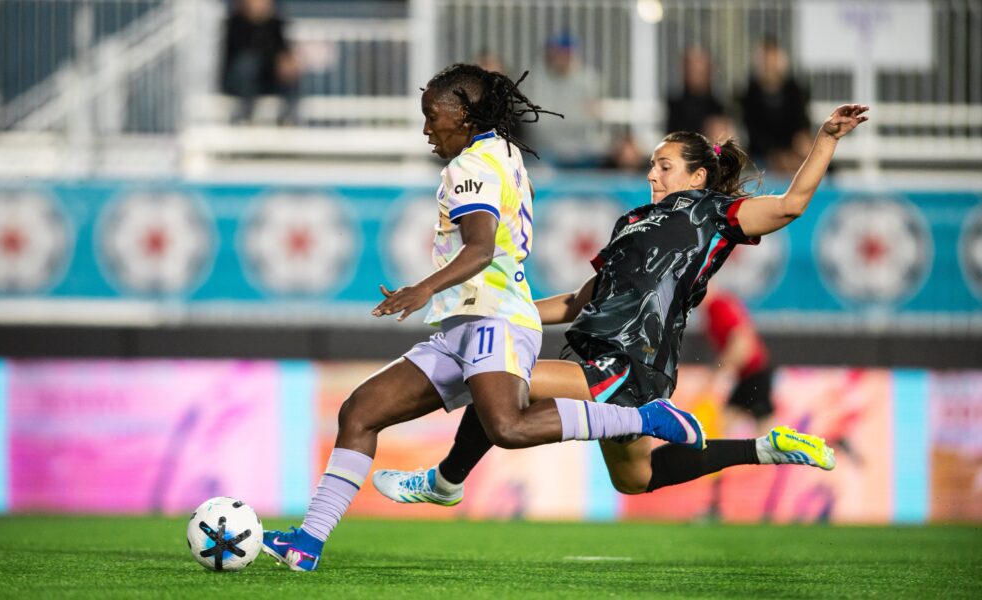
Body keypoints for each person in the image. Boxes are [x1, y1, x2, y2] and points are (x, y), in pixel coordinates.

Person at [259, 64, 707, 573]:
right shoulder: (506, 154)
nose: (428, 128)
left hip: (492, 320)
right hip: (466, 324)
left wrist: (421, 289)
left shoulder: (469, 167)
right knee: (359, 411)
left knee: (508, 427)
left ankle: (644, 418)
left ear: (465, 116)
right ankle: (308, 543)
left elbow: (480, 247)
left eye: (434, 116)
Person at [373, 104, 869, 505]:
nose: (652, 173)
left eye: (665, 165)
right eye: (653, 164)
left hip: (631, 360)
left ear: (697, 178)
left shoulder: (714, 214)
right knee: (635, 480)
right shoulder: (630, 222)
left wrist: (826, 137)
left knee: (502, 382)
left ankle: (445, 481)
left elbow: (790, 204)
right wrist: (502, 310)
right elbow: (576, 302)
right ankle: (767, 447)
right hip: (594, 353)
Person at [697, 286, 775, 519]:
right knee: (724, 435)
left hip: (753, 376)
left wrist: (721, 371)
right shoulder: (720, 305)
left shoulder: (717, 306)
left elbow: (742, 342)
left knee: (763, 440)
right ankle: (718, 504)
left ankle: (719, 505)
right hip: (752, 375)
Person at [523, 32, 605, 168]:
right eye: (558, 53)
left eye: (567, 53)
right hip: (544, 151)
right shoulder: (534, 81)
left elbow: (593, 119)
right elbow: (534, 121)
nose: (562, 58)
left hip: (584, 151)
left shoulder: (589, 80)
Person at [738, 38, 811, 175]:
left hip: (792, 153)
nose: (769, 67)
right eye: (766, 62)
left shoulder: (795, 92)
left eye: (773, 62)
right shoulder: (749, 96)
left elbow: (802, 126)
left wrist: (796, 150)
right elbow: (753, 134)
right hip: (762, 157)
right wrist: (777, 156)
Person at [220, 0, 300, 124]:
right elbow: (240, 54)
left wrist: (286, 62)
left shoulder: (275, 24)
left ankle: (289, 118)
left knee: (289, 68)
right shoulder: (234, 24)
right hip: (238, 82)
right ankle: (246, 115)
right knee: (248, 64)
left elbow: (282, 50)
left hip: (268, 78)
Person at [666, 47, 734, 143]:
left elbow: (722, 147)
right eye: (693, 69)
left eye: (701, 70)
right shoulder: (674, 106)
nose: (698, 74)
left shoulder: (718, 108)